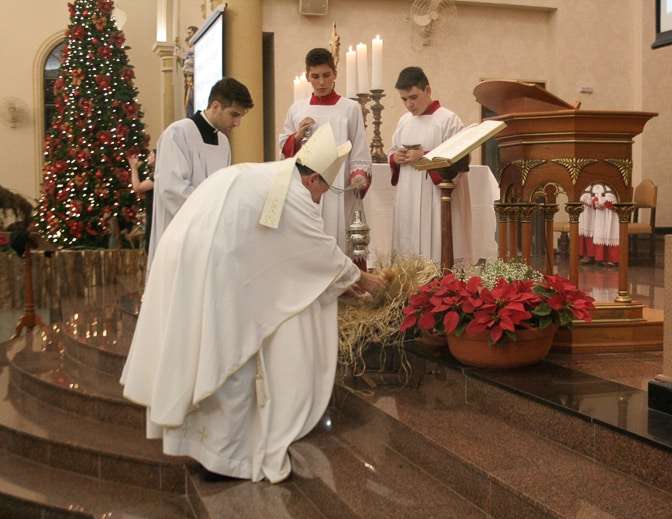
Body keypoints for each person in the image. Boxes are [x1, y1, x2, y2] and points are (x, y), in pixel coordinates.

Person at [121, 124, 386, 483]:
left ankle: (200, 448)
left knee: (199, 348)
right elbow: (318, 250)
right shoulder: (292, 193)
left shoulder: (269, 176)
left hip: (188, 254)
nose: (320, 199)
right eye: (323, 189)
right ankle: (225, 459)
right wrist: (363, 279)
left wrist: (344, 281)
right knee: (231, 354)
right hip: (213, 264)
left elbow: (294, 251)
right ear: (311, 179)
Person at [149, 77, 253, 271]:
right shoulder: (178, 133)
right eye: (234, 115)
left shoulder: (223, 142)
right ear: (215, 106)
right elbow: (171, 190)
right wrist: (214, 212)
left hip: (210, 236)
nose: (238, 123)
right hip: (181, 235)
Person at [279, 48, 371, 249]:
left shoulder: (350, 108)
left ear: (335, 74)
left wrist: (358, 174)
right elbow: (284, 148)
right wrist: (296, 137)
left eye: (326, 75)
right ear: (307, 76)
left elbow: (359, 148)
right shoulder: (297, 109)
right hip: (305, 188)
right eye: (315, 76)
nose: (321, 82)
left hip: (339, 187)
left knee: (338, 238)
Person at [388, 66, 473, 265]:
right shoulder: (404, 121)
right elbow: (392, 150)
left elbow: (460, 160)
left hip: (435, 197)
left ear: (427, 90)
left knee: (435, 245)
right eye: (404, 99)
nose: (409, 104)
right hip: (408, 196)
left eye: (413, 97)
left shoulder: (448, 120)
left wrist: (425, 156)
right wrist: (395, 158)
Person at [127, 149, 155, 252]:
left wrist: (133, 168)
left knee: (151, 246)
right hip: (150, 213)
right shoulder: (153, 175)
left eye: (151, 155)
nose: (148, 158)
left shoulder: (157, 176)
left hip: (153, 215)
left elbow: (137, 187)